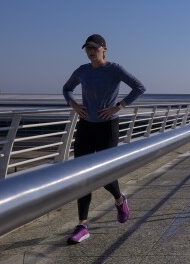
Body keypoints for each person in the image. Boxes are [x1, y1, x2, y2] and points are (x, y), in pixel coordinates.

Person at [62, 33, 146, 244]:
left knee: (105, 172)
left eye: (94, 48)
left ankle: (119, 199)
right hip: (86, 126)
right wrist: (73, 105)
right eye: (87, 48)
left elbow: (139, 87)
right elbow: (66, 89)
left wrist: (118, 107)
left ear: (104, 49)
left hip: (108, 126)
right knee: (82, 175)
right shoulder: (82, 71)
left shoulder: (114, 69)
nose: (90, 52)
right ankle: (82, 225)